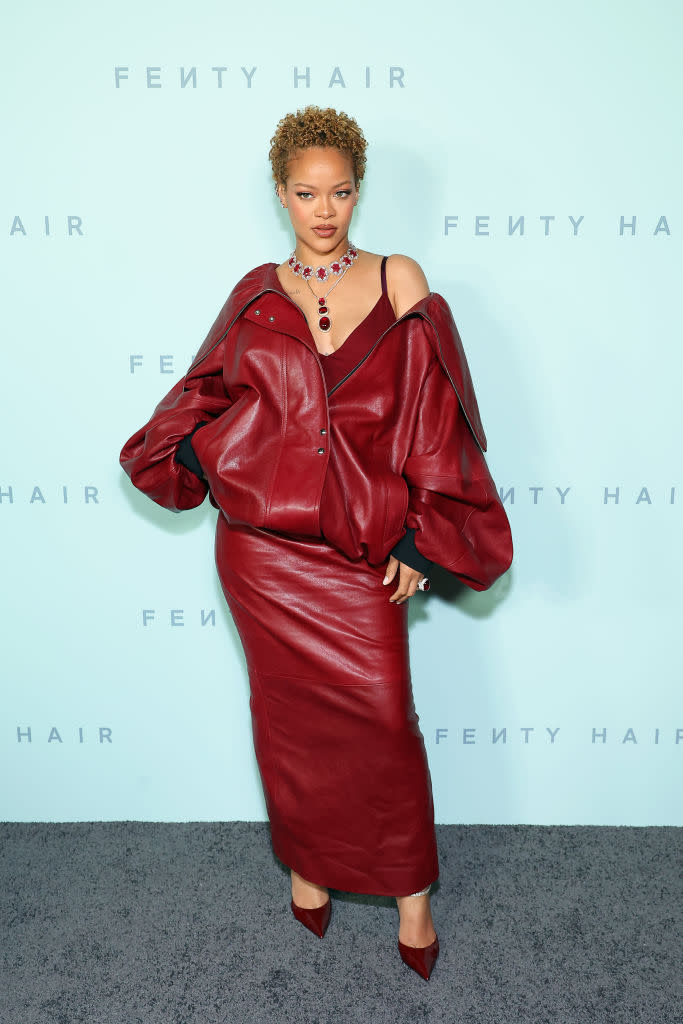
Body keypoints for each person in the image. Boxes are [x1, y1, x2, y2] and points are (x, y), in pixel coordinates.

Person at [119, 104, 513, 981]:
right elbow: (195, 403)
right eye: (305, 193)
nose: (324, 209)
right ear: (281, 196)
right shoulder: (256, 293)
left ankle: (410, 897)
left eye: (339, 192)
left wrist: (421, 532)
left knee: (382, 720)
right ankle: (307, 870)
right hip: (262, 558)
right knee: (288, 725)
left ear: (358, 191)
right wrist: (213, 454)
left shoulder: (400, 277)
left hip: (360, 552)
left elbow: (434, 415)